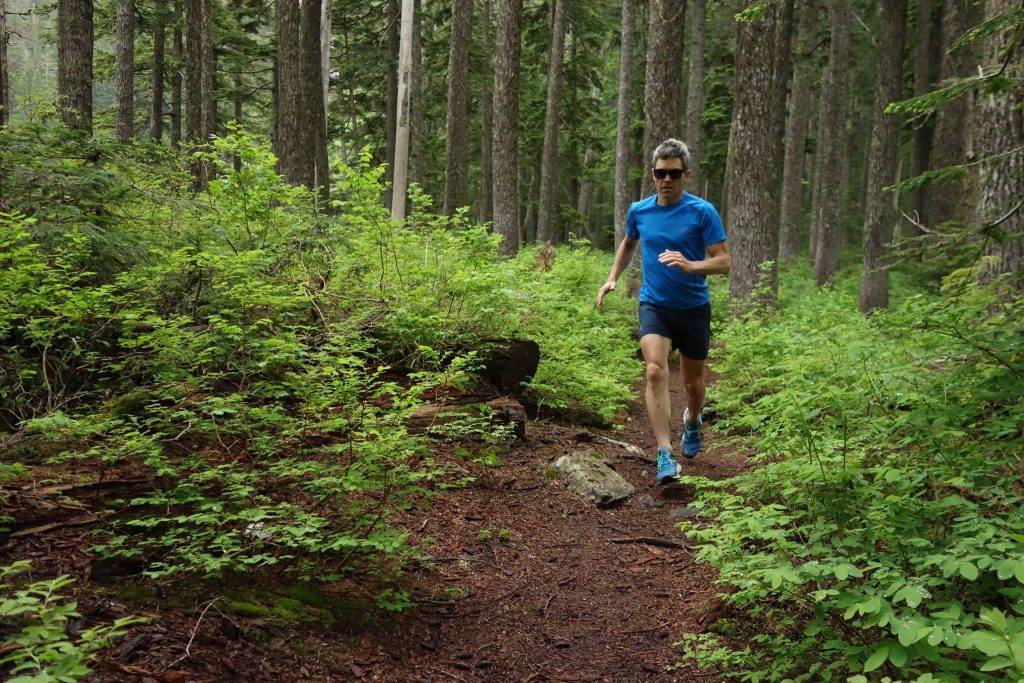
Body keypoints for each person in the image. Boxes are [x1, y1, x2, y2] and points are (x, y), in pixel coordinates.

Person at [596, 138, 730, 484]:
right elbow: (628, 243)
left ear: (686, 174)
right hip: (654, 304)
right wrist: (611, 279)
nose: (666, 180)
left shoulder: (702, 211)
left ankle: (693, 419)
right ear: (653, 175)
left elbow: (724, 262)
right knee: (655, 371)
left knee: (693, 383)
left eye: (673, 173)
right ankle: (664, 454)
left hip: (693, 308)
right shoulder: (640, 210)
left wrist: (690, 265)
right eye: (660, 173)